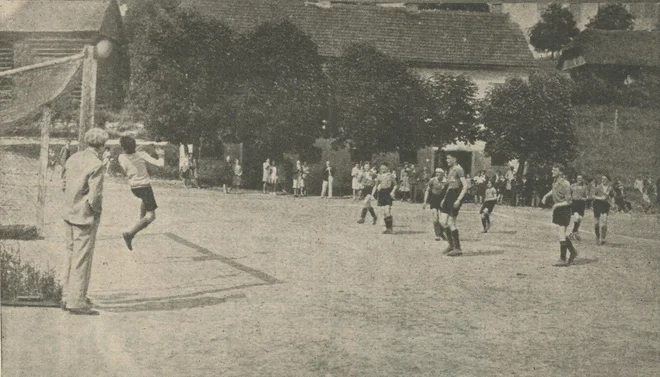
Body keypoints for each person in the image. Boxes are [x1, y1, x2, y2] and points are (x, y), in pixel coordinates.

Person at [61, 128, 109, 315]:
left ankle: (67, 295)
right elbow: (95, 196)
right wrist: (95, 213)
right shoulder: (96, 164)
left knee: (70, 255)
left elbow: (63, 183)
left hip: (68, 212)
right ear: (102, 146)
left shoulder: (73, 158)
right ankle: (77, 300)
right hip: (84, 216)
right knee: (82, 258)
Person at [117, 136, 165, 251]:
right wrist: (162, 155)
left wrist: (136, 151)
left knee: (144, 207)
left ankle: (141, 221)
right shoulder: (142, 154)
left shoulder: (121, 157)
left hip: (134, 188)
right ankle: (129, 233)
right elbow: (160, 164)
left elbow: (131, 156)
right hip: (145, 187)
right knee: (151, 216)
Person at [541, 164, 578, 266]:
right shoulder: (555, 181)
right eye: (552, 169)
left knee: (561, 234)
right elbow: (553, 190)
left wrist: (556, 205)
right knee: (562, 233)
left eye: (555, 170)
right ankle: (573, 252)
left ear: (561, 172)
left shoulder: (566, 184)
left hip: (564, 210)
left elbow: (569, 201)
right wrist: (546, 196)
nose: (552, 171)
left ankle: (563, 258)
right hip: (558, 209)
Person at [440, 153, 469, 256]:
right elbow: (449, 185)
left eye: (448, 158)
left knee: (451, 222)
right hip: (449, 195)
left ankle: (457, 248)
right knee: (442, 222)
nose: (447, 160)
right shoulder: (451, 169)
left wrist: (458, 200)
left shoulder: (459, 169)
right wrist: (444, 198)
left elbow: (465, 186)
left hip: (455, 195)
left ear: (455, 159)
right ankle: (451, 245)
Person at [423, 168, 448, 241]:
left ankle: (441, 233)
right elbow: (427, 190)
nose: (437, 174)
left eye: (439, 173)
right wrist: (425, 201)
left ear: (443, 174)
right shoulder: (432, 180)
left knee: (442, 220)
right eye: (436, 173)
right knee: (435, 218)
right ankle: (437, 234)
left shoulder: (446, 181)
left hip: (443, 200)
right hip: (434, 200)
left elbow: (448, 192)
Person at [374, 162, 398, 234]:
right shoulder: (379, 176)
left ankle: (390, 228)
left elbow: (396, 185)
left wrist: (393, 192)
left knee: (387, 211)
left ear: (387, 168)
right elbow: (376, 185)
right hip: (381, 193)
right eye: (381, 167)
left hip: (388, 193)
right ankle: (385, 228)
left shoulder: (390, 176)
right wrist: (374, 192)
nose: (382, 168)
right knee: (383, 212)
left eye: (384, 167)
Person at [593, 175, 614, 245]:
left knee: (604, 224)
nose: (603, 180)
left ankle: (603, 238)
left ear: (608, 180)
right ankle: (597, 237)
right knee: (596, 223)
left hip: (605, 206)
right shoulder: (598, 187)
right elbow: (592, 195)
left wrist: (612, 203)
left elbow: (613, 196)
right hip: (597, 205)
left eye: (604, 179)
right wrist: (599, 198)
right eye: (602, 179)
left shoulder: (610, 188)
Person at [569, 174, 588, 241]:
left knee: (579, 219)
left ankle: (573, 233)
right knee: (577, 218)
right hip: (575, 203)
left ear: (583, 179)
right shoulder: (572, 186)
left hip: (581, 204)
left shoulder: (585, 187)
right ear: (576, 179)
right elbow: (569, 194)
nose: (579, 180)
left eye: (580, 179)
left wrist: (585, 198)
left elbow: (586, 196)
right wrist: (570, 200)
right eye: (578, 179)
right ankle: (574, 232)